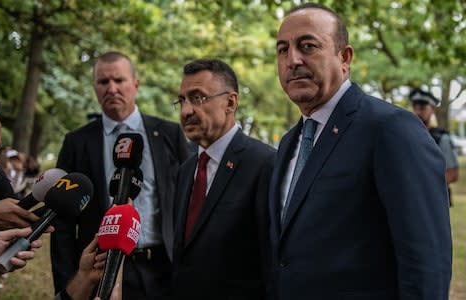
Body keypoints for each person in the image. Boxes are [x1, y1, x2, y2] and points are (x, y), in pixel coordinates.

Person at [269, 3, 452, 300]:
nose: (293, 60)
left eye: (308, 46)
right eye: (282, 50)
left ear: (345, 57)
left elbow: (426, 264)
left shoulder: (391, 129)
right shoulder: (289, 142)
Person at [51, 51, 191, 298]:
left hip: (163, 268)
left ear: (135, 84)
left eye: (119, 80)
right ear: (95, 87)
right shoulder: (77, 142)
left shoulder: (168, 134)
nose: (112, 89)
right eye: (103, 82)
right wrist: (69, 286)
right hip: (101, 269)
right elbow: (62, 222)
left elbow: (190, 200)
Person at [172, 58, 275, 299]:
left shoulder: (264, 163)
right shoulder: (186, 170)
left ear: (230, 102)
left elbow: (272, 261)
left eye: (198, 98)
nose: (186, 111)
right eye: (182, 100)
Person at [410, 88, 459, 206]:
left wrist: (423, 187)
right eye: (415, 108)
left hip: (435, 200)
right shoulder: (409, 136)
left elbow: (452, 174)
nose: (417, 112)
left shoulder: (442, 138)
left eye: (422, 108)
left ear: (432, 109)